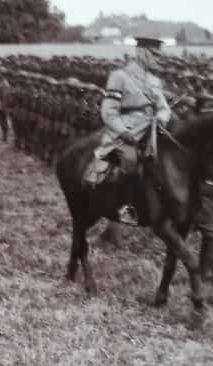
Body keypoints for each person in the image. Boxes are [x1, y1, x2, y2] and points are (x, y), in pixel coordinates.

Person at [85, 36, 172, 225]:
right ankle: (126, 206)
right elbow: (108, 111)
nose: (159, 59)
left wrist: (162, 118)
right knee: (130, 162)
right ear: (142, 53)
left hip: (153, 130)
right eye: (155, 54)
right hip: (127, 130)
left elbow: (164, 107)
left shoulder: (155, 80)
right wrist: (122, 131)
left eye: (159, 55)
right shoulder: (119, 76)